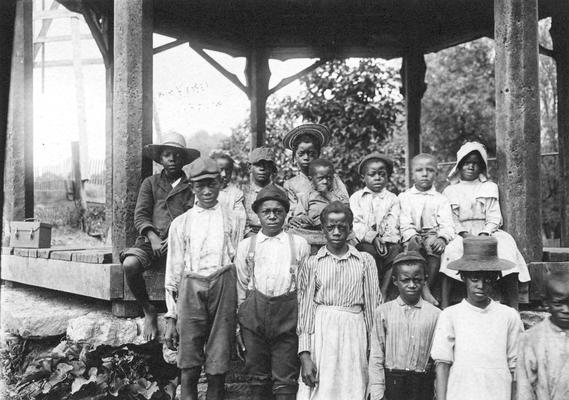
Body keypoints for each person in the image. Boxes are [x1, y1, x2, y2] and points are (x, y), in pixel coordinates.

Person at [164, 157, 237, 400]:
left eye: (212, 184)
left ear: (220, 183)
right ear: (192, 187)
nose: (207, 191)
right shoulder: (181, 224)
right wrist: (171, 317)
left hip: (222, 288)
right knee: (189, 363)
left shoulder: (231, 219)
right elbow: (174, 272)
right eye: (200, 185)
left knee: (217, 364)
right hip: (191, 290)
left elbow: (235, 259)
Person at [120, 131, 199, 341]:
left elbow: (192, 217)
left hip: (180, 242)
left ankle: (181, 317)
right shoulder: (151, 183)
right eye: (167, 155)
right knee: (129, 264)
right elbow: (141, 215)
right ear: (161, 159)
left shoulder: (191, 187)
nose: (172, 159)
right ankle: (148, 310)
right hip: (151, 241)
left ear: (183, 159)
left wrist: (174, 238)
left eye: (177, 155)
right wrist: (153, 236)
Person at [297, 201, 381, 400]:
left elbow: (372, 307)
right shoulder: (312, 263)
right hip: (323, 332)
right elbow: (305, 310)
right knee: (322, 388)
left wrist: (373, 349)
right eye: (330, 227)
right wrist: (305, 355)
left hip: (354, 331)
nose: (336, 232)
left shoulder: (365, 261)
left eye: (342, 227)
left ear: (350, 229)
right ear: (323, 230)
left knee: (353, 387)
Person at [235, 185, 310, 400]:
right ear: (258, 213)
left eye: (278, 211)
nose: (272, 216)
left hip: (287, 321)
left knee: (285, 382)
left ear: (286, 213)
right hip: (253, 320)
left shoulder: (299, 244)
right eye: (266, 211)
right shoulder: (246, 246)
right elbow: (241, 288)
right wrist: (239, 330)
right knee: (257, 380)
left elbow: (304, 291)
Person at [439, 142, 530, 309]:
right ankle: (444, 305)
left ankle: (514, 305)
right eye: (467, 162)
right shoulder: (450, 191)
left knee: (506, 246)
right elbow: (450, 218)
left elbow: (494, 217)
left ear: (481, 166)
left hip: (487, 231)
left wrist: (485, 233)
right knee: (451, 251)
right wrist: (465, 234)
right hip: (461, 233)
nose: (471, 166)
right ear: (459, 165)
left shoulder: (489, 187)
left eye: (476, 163)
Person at [431, 236, 524, 400]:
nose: (481, 286)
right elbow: (443, 365)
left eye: (487, 279)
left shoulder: (509, 316)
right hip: (461, 393)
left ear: (495, 279)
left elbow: (515, 367)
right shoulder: (450, 315)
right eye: (474, 279)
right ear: (463, 277)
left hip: (498, 393)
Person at [369, 251, 441, 400]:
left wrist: (437, 393)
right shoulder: (383, 312)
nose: (412, 285)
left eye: (417, 280)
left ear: (425, 280)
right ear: (395, 281)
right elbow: (376, 355)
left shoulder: (435, 315)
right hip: (393, 385)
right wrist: (377, 393)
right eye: (405, 280)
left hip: (422, 386)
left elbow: (438, 359)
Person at [399, 153, 455, 306]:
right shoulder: (404, 197)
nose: (424, 174)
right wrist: (410, 235)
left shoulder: (441, 199)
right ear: (412, 174)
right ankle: (423, 289)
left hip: (432, 234)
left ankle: (426, 287)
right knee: (413, 246)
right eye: (419, 170)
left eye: (429, 170)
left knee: (434, 247)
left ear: (436, 173)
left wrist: (442, 238)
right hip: (412, 234)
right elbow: (404, 221)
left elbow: (447, 224)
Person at [350, 152, 402, 299]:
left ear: (387, 177)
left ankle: (384, 290)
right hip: (365, 241)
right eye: (372, 174)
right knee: (367, 253)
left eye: (382, 174)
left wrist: (386, 239)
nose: (377, 178)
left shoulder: (392, 199)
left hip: (386, 240)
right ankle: (370, 289)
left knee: (396, 251)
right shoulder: (357, 198)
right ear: (363, 177)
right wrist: (373, 238)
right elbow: (355, 223)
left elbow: (393, 221)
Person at [282, 124, 348, 228]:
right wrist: (292, 218)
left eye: (311, 154)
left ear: (318, 156)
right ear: (294, 157)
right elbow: (290, 209)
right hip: (304, 228)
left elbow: (345, 202)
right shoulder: (290, 184)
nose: (306, 157)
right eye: (301, 154)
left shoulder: (333, 178)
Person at [516, 269, 569, 400]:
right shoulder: (531, 339)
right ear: (546, 302)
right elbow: (524, 388)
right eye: (558, 304)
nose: (566, 310)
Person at [291, 158, 347, 230]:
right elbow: (299, 214)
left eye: (329, 178)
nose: (325, 181)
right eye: (321, 179)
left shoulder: (337, 193)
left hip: (335, 227)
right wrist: (303, 217)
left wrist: (328, 195)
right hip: (313, 228)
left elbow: (345, 210)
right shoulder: (307, 195)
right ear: (311, 180)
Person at [243, 147, 279, 237]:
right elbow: (240, 221)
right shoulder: (243, 193)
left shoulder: (280, 193)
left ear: (273, 168)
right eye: (258, 165)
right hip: (249, 237)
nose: (262, 168)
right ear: (249, 167)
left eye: (266, 165)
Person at [214, 153, 246, 243]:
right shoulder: (205, 192)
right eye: (220, 170)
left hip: (229, 238)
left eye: (228, 171)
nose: (224, 174)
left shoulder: (236, 194)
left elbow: (240, 220)